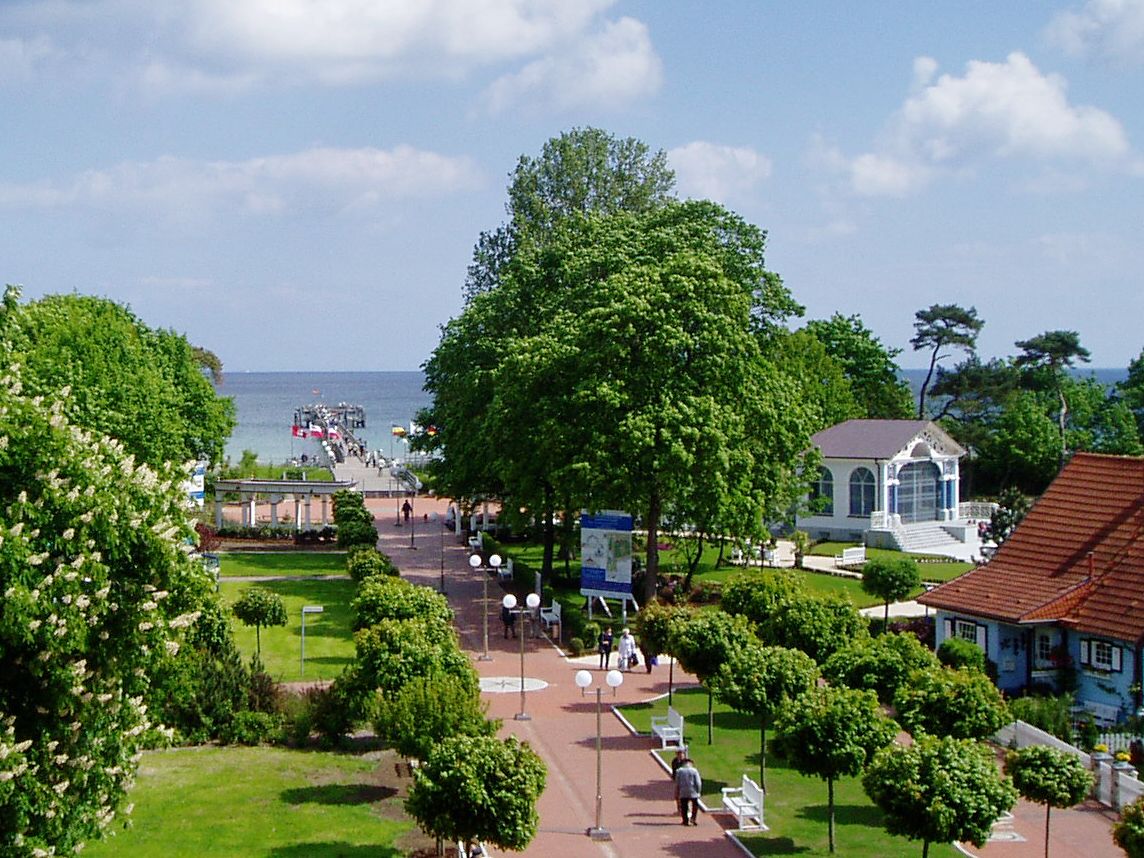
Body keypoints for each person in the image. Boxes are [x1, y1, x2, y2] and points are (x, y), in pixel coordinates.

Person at [674, 757, 702, 826]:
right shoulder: (694, 771)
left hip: (683, 791)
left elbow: (677, 783)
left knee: (684, 806)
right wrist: (698, 791)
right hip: (693, 791)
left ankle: (685, 820)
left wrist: (677, 792)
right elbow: (698, 782)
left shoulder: (679, 771)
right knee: (695, 805)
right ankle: (693, 819)